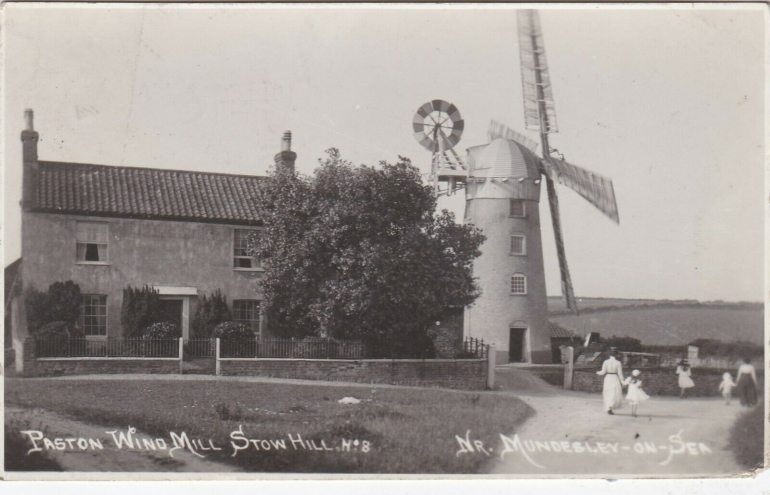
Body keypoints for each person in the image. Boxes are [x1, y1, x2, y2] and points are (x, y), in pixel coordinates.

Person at [596, 348, 625, 415]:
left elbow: (603, 372)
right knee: (614, 393)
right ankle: (610, 406)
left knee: (608, 392)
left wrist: (598, 372)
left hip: (608, 378)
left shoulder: (606, 362)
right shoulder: (618, 362)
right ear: (616, 354)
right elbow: (620, 374)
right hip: (615, 378)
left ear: (609, 354)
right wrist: (622, 381)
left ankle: (609, 407)